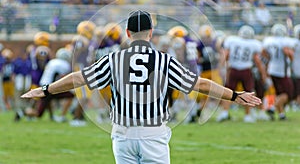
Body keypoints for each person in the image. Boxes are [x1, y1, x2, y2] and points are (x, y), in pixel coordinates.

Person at [21, 10, 261, 164]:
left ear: (127, 33)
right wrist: (234, 95)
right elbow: (199, 83)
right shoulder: (164, 60)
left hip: (122, 134)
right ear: (151, 33)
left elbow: (78, 78)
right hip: (152, 133)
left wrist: (45, 89)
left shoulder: (114, 58)